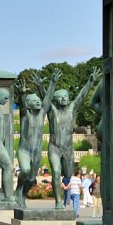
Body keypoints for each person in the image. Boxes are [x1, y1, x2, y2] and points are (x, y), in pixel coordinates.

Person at [45, 68, 100, 209]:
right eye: (60, 96)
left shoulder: (71, 109)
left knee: (68, 175)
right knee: (56, 172)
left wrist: (90, 82)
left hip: (68, 149)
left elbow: (81, 96)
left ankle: (65, 199)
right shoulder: (52, 111)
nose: (64, 98)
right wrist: (52, 83)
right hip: (54, 148)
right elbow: (45, 98)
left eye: (66, 96)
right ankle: (58, 202)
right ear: (55, 100)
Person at [15, 74, 55, 206]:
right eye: (35, 101)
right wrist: (21, 94)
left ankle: (23, 196)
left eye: (38, 100)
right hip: (24, 150)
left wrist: (52, 83)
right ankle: (18, 189)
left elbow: (48, 99)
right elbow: (22, 106)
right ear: (28, 104)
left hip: (37, 152)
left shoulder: (42, 114)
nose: (38, 102)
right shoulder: (25, 115)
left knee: (32, 179)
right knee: (25, 170)